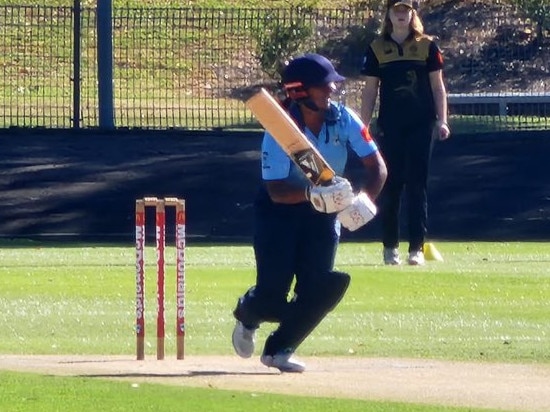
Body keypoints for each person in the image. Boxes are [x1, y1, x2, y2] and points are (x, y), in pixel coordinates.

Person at [231, 53, 387, 373]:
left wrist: (365, 199)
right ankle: (248, 314)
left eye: (331, 85)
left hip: (324, 214)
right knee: (272, 299)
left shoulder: (343, 118)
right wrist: (311, 193)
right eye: (323, 87)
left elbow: (377, 167)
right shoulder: (280, 129)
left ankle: (279, 349)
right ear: (300, 92)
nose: (331, 91)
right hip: (279, 213)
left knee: (322, 285)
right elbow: (275, 190)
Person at [360, 0, 450, 266]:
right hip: (390, 126)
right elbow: (369, 90)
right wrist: (363, 126)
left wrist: (442, 120)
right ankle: (390, 248)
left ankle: (416, 250)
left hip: (421, 125)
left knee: (417, 185)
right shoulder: (377, 48)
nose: (401, 15)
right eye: (396, 10)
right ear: (388, 14)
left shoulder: (427, 46)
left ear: (413, 14)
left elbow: (437, 87)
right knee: (392, 185)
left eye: (406, 10)